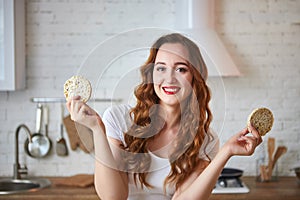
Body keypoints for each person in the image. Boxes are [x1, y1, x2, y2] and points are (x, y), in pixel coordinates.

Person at [66, 33, 262, 200]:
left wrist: (225, 153)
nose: (169, 78)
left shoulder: (205, 140)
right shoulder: (119, 119)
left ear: (194, 76)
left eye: (181, 69)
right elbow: (113, 196)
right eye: (161, 68)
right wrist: (96, 129)